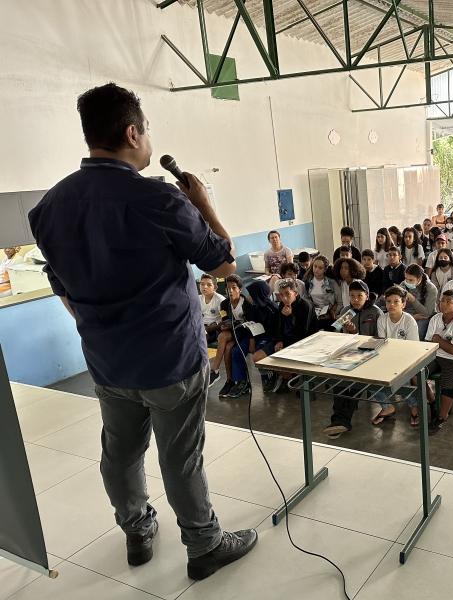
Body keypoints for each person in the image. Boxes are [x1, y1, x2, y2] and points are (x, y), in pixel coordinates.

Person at [28, 83, 256, 579]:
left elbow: (60, 284)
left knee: (121, 451)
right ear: (132, 133)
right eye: (146, 128)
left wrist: (97, 326)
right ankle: (204, 545)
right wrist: (202, 203)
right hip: (169, 358)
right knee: (181, 456)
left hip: (108, 362)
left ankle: (137, 528)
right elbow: (223, 264)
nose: (147, 137)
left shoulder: (50, 207)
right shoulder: (158, 198)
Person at [323, 280, 382, 439]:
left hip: (370, 355)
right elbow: (339, 338)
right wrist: (350, 333)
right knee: (338, 380)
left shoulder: (376, 313)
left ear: (367, 296)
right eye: (352, 296)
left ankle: (341, 421)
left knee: (357, 382)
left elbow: (380, 339)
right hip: (348, 354)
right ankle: (339, 420)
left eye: (359, 296)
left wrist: (358, 334)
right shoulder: (345, 311)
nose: (355, 299)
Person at [372, 285, 421, 425]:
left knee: (401, 380)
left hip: (407, 359)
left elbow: (413, 348)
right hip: (387, 357)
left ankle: (413, 407)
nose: (391, 305)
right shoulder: (382, 319)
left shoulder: (409, 321)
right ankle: (387, 407)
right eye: (388, 301)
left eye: (396, 301)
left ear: (403, 304)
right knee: (370, 378)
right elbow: (383, 343)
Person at [425, 289, 453, 432]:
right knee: (417, 373)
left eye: (449, 302)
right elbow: (429, 343)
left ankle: (441, 417)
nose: (444, 304)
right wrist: (441, 343)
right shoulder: (435, 318)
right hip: (435, 356)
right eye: (442, 301)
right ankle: (432, 402)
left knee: (447, 381)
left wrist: (438, 340)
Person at [303, 255, 341, 328]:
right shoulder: (308, 282)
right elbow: (307, 301)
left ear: (325, 269)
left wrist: (332, 313)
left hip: (330, 315)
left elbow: (340, 302)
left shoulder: (332, 283)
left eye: (320, 268)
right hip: (315, 315)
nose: (316, 270)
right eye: (315, 266)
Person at [403, 264, 437, 338]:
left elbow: (427, 313)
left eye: (411, 280)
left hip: (424, 317)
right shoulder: (404, 284)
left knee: (417, 330)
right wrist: (412, 317)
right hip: (408, 314)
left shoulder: (431, 289)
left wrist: (413, 300)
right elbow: (399, 307)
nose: (407, 282)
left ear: (419, 279)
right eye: (406, 278)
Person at [198, 273, 225, 345]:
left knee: (201, 338)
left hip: (214, 328)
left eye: (209, 285)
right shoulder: (198, 298)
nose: (205, 287)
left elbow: (225, 320)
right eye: (202, 284)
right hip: (202, 327)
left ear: (215, 287)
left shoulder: (220, 300)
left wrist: (209, 328)